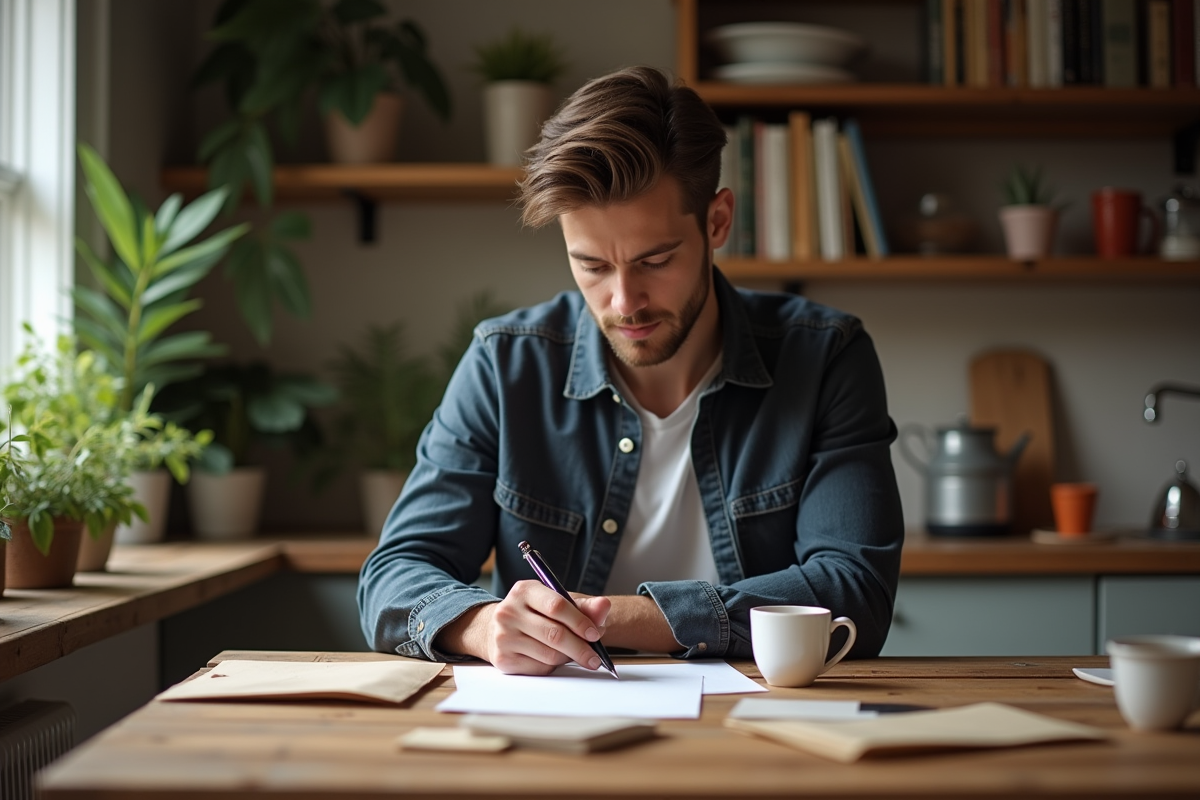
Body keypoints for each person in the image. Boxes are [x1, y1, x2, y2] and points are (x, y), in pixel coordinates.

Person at [358, 65, 904, 675]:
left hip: (761, 732)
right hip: (551, 736)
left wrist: (611, 619)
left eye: (655, 260)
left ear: (717, 221)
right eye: (591, 265)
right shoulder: (505, 362)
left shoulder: (827, 356)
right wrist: (483, 626)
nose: (624, 301)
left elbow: (855, 591)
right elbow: (394, 575)